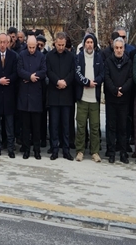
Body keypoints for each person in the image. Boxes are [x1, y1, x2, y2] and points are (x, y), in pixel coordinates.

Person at [74, 32, 103, 162]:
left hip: (94, 99)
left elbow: (103, 73)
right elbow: (77, 73)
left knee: (95, 127)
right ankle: (80, 151)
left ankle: (95, 151)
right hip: (82, 98)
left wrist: (95, 82)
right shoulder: (79, 57)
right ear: (84, 44)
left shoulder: (99, 57)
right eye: (87, 42)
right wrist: (86, 82)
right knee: (80, 126)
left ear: (94, 44)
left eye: (91, 42)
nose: (89, 45)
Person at [46, 32, 76, 160]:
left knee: (66, 125)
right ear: (55, 42)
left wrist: (65, 82)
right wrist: (57, 81)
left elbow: (73, 72)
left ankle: (66, 150)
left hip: (66, 94)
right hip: (54, 93)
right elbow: (48, 71)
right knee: (54, 124)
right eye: (59, 45)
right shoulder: (49, 56)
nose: (61, 47)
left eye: (63, 45)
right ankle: (54, 149)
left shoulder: (70, 56)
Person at [16, 35, 46, 160]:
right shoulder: (22, 55)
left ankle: (37, 150)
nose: (32, 49)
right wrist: (30, 77)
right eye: (30, 47)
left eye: (34, 47)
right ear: (27, 45)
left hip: (36, 96)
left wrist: (34, 76)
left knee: (36, 127)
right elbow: (19, 70)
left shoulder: (41, 56)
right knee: (26, 126)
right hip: (24, 95)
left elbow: (44, 71)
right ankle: (26, 150)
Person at [103, 37, 133, 164]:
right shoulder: (108, 61)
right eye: (117, 48)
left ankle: (123, 153)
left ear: (124, 48)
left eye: (121, 48)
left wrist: (123, 90)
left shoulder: (129, 62)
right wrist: (115, 90)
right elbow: (107, 77)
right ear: (113, 48)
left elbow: (131, 78)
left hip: (124, 99)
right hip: (111, 98)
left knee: (123, 127)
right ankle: (111, 152)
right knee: (111, 127)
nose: (119, 50)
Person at [0, 33, 18, 158]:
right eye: (0, 42)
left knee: (9, 125)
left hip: (8, 95)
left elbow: (16, 73)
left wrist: (7, 80)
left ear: (8, 43)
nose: (2, 44)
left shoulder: (13, 56)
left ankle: (11, 148)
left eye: (4, 42)